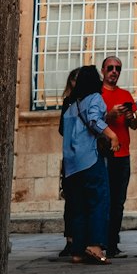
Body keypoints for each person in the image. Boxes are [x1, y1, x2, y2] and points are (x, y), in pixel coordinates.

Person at [62, 64, 118, 263]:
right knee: (99, 201)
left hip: (71, 165)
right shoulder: (94, 99)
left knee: (78, 206)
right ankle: (95, 246)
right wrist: (112, 135)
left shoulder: (70, 106)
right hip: (89, 160)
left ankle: (77, 251)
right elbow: (94, 120)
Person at [101, 55, 137, 259]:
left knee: (118, 201)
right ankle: (100, 241)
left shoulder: (125, 95)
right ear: (103, 71)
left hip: (123, 154)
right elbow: (94, 121)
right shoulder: (97, 94)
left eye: (118, 68)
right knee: (103, 200)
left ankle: (113, 243)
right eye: (110, 68)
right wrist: (110, 116)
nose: (114, 71)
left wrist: (131, 117)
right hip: (103, 154)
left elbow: (134, 125)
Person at [56, 68, 80, 258]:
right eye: (74, 80)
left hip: (83, 157)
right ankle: (70, 239)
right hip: (71, 157)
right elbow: (62, 129)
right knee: (71, 200)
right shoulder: (68, 103)